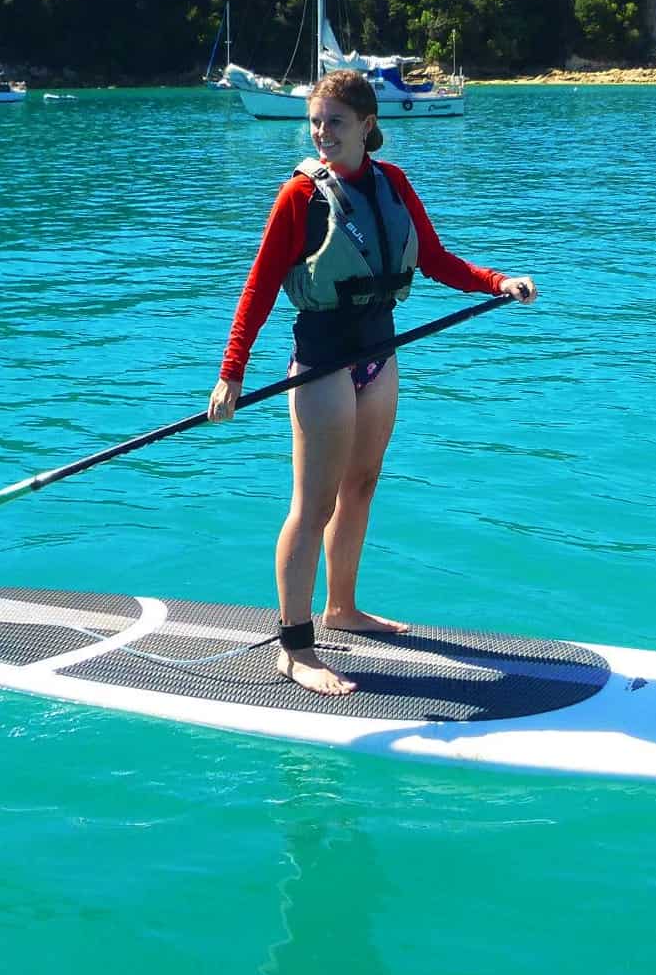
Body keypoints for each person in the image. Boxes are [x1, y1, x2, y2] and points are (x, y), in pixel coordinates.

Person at [207, 69, 537, 696]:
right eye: (315, 121)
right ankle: (296, 647)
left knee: (360, 487)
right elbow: (258, 285)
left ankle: (343, 609)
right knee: (314, 504)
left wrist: (497, 281)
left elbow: (435, 260)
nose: (321, 132)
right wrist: (231, 373)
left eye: (334, 121)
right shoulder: (299, 197)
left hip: (380, 354)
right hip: (325, 360)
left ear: (366, 125)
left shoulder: (394, 184)